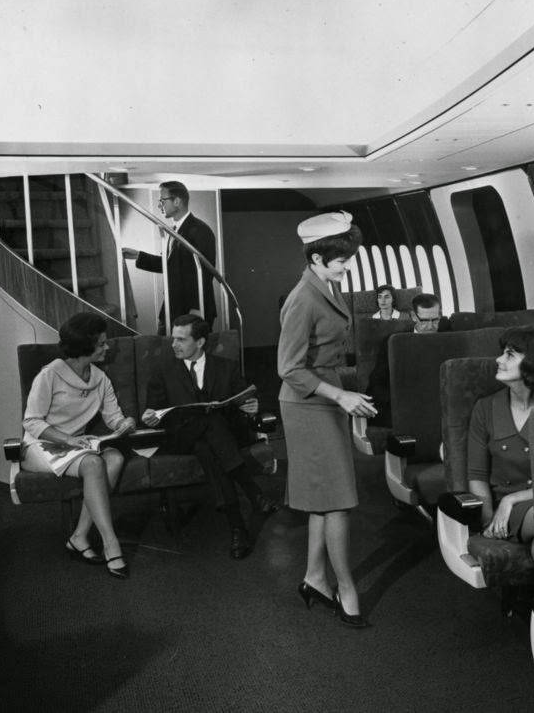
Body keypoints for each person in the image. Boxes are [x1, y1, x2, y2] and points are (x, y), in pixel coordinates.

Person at [278, 211, 376, 629]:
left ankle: (315, 578)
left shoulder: (326, 285)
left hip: (325, 396)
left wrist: (345, 394)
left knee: (325, 498)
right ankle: (346, 588)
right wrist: (340, 395)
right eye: (341, 261)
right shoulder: (303, 298)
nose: (346, 267)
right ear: (317, 259)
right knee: (337, 501)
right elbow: (288, 368)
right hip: (307, 402)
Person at [141, 314, 279, 560]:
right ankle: (253, 493)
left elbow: (245, 398)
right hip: (181, 437)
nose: (174, 345)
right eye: (173, 339)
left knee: (206, 444)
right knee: (210, 423)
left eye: (181, 340)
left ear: (200, 342)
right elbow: (155, 410)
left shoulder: (226, 367)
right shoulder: (163, 370)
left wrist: (252, 406)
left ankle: (237, 527)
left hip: (217, 438)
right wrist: (150, 416)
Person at [21, 313, 136, 579]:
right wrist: (67, 439)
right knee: (94, 463)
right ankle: (111, 544)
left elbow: (113, 417)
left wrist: (125, 423)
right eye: (102, 343)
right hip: (40, 446)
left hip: (77, 446)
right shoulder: (50, 374)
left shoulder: (100, 378)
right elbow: (31, 422)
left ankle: (79, 537)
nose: (107, 347)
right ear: (85, 346)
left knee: (115, 458)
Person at [467, 327, 534, 543]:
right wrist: (488, 521)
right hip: (513, 514)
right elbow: (477, 475)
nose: (499, 359)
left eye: (510, 355)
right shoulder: (485, 408)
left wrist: (511, 499)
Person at [122, 180, 218, 333]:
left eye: (162, 200)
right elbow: (170, 265)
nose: (159, 205)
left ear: (177, 201)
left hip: (191, 310)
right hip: (174, 307)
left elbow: (204, 273)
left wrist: (196, 308)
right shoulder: (174, 231)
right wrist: (138, 255)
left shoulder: (200, 230)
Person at [365, 292, 451, 426]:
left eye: (435, 320)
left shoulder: (449, 337)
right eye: (424, 321)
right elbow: (377, 385)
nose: (430, 326)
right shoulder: (393, 342)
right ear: (413, 316)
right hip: (406, 404)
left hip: (439, 403)